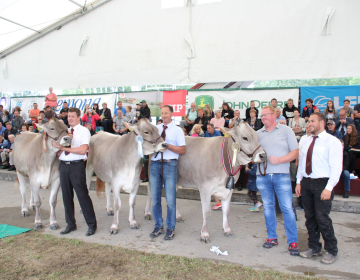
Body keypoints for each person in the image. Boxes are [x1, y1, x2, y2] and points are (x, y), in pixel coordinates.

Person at [296, 112, 342, 264]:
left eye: (312, 121)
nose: (309, 124)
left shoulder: (332, 141)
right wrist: (298, 182)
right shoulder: (306, 140)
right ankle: (314, 247)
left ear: (322, 122)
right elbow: (302, 163)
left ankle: (331, 250)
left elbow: (336, 168)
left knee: (322, 218)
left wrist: (328, 188)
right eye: (308, 121)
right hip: (307, 183)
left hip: (323, 184)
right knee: (310, 218)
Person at [256, 105, 299, 256]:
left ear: (274, 115)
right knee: (268, 208)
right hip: (263, 176)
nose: (263, 118)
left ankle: (293, 241)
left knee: (287, 209)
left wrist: (280, 159)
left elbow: (295, 153)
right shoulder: (257, 134)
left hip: (282, 175)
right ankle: (272, 237)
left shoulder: (286, 130)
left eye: (265, 115)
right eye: (261, 116)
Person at [52, 107, 97, 237]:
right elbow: (58, 150)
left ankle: (91, 225)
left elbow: (83, 150)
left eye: (72, 116)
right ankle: (70, 224)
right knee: (66, 197)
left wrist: (64, 147)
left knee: (82, 196)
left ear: (78, 117)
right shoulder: (63, 132)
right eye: (68, 116)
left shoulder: (84, 131)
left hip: (76, 166)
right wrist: (59, 149)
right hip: (63, 166)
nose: (70, 118)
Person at [150, 105, 186, 240]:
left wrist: (167, 145)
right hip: (154, 164)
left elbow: (182, 150)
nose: (164, 115)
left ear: (172, 114)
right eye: (162, 113)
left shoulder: (177, 131)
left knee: (170, 200)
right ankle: (158, 225)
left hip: (170, 165)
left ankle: (170, 228)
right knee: (155, 198)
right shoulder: (155, 129)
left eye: (166, 113)